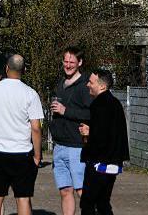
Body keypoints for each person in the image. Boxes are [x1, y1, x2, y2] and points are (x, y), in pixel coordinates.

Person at [0, 55, 44, 215]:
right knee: (23, 198)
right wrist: (37, 155)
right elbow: (36, 128)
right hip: (22, 152)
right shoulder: (30, 93)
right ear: (24, 70)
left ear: (6, 68)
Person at [78, 69, 128, 215]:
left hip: (100, 163)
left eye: (91, 82)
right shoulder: (115, 103)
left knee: (88, 202)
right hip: (113, 161)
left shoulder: (99, 105)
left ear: (102, 86)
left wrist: (88, 133)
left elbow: (101, 137)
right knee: (103, 202)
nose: (88, 85)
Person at [50, 47, 92, 215]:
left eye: (71, 62)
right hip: (59, 146)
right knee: (65, 191)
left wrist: (65, 111)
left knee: (82, 191)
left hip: (77, 147)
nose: (67, 65)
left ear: (80, 63)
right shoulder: (60, 84)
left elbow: (91, 113)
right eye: (65, 61)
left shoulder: (85, 86)